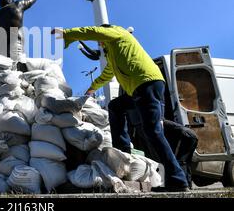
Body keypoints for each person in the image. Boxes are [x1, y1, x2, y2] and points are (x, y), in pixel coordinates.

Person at [52, 24, 189, 191]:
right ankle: (122, 151)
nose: (100, 45)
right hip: (138, 89)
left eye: (100, 42)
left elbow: (94, 32)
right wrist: (90, 91)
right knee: (116, 106)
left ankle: (178, 179)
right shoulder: (113, 53)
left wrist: (67, 34)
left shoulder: (118, 32)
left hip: (147, 83)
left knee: (153, 131)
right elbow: (107, 74)